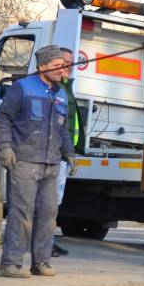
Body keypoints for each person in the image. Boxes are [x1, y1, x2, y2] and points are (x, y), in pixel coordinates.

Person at [0, 45, 75, 278]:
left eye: (63, 65)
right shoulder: (22, 87)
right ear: (42, 66)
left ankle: (41, 262)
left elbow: (62, 129)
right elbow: (3, 118)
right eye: (56, 65)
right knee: (22, 214)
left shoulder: (61, 94)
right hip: (24, 162)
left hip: (51, 164)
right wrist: (5, 147)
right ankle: (10, 264)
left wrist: (69, 153)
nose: (61, 70)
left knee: (48, 216)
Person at [50, 76, 81, 257]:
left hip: (61, 154)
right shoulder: (54, 88)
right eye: (62, 64)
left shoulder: (66, 88)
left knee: (55, 201)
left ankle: (48, 240)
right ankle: (43, 242)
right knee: (47, 201)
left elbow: (65, 127)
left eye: (68, 64)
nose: (66, 67)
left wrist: (70, 152)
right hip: (51, 153)